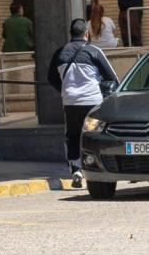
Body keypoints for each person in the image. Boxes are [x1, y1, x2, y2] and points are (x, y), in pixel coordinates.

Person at [47, 18, 117, 189]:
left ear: (71, 34)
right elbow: (112, 78)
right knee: (94, 134)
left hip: (70, 102)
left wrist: (65, 90)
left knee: (72, 136)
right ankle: (96, 167)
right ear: (86, 33)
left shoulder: (60, 53)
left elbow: (51, 78)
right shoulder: (94, 51)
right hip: (93, 102)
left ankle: (76, 169)